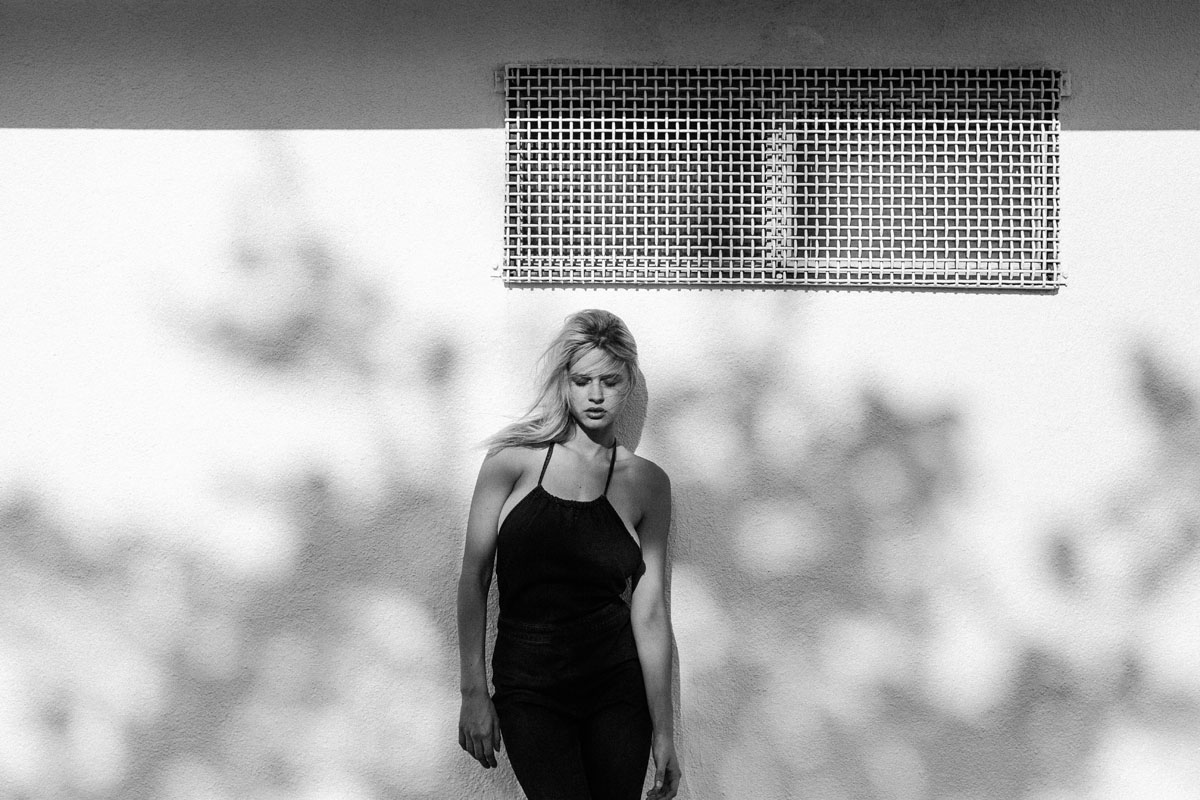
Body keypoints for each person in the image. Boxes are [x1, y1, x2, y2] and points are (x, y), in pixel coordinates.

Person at [457, 309, 682, 800]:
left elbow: (649, 614)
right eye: (582, 381)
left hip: (617, 690)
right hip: (529, 687)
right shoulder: (511, 462)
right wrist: (473, 690)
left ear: (629, 382)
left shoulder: (648, 484)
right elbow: (474, 577)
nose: (596, 395)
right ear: (564, 382)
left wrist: (665, 733)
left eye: (610, 381)